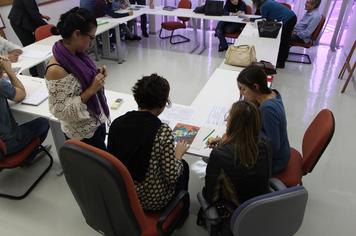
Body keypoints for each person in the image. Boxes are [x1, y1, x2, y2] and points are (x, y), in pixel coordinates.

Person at [108, 74, 190, 211]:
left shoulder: (117, 123)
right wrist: (178, 155)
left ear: (136, 98)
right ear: (163, 104)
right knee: (183, 166)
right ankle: (180, 213)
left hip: (123, 193)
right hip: (151, 200)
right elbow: (171, 176)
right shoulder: (162, 131)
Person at [200, 101, 270, 235]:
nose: (226, 119)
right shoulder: (266, 144)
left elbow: (211, 196)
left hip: (236, 215)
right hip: (262, 209)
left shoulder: (219, 155)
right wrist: (226, 142)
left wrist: (223, 147)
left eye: (229, 116)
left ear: (234, 124)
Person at [45, 8, 110, 151]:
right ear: (77, 34)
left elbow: (80, 82)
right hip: (83, 134)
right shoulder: (56, 70)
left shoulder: (76, 55)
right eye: (91, 38)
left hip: (95, 121)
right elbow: (61, 112)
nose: (92, 43)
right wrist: (92, 89)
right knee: (95, 168)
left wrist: (96, 75)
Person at [237, 65, 290, 174]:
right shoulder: (272, 93)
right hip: (282, 152)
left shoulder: (267, 109)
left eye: (244, 89)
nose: (242, 93)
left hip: (275, 162)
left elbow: (273, 147)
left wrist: (246, 134)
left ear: (256, 87)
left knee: (232, 161)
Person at [0, 56, 50, 158]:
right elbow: (21, 94)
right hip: (8, 143)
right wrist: (9, 71)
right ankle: (30, 156)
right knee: (43, 122)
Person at [8, 0, 50, 75]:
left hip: (23, 19)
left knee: (34, 45)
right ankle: (34, 73)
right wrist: (49, 27)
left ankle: (36, 71)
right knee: (30, 45)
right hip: (18, 22)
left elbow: (31, 10)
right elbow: (33, 14)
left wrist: (41, 16)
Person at [252, 0, 297, 68]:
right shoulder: (268, 2)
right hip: (292, 17)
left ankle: (281, 62)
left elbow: (263, 19)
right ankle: (281, 60)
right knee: (285, 41)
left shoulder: (264, 6)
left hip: (288, 20)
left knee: (283, 41)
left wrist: (250, 19)